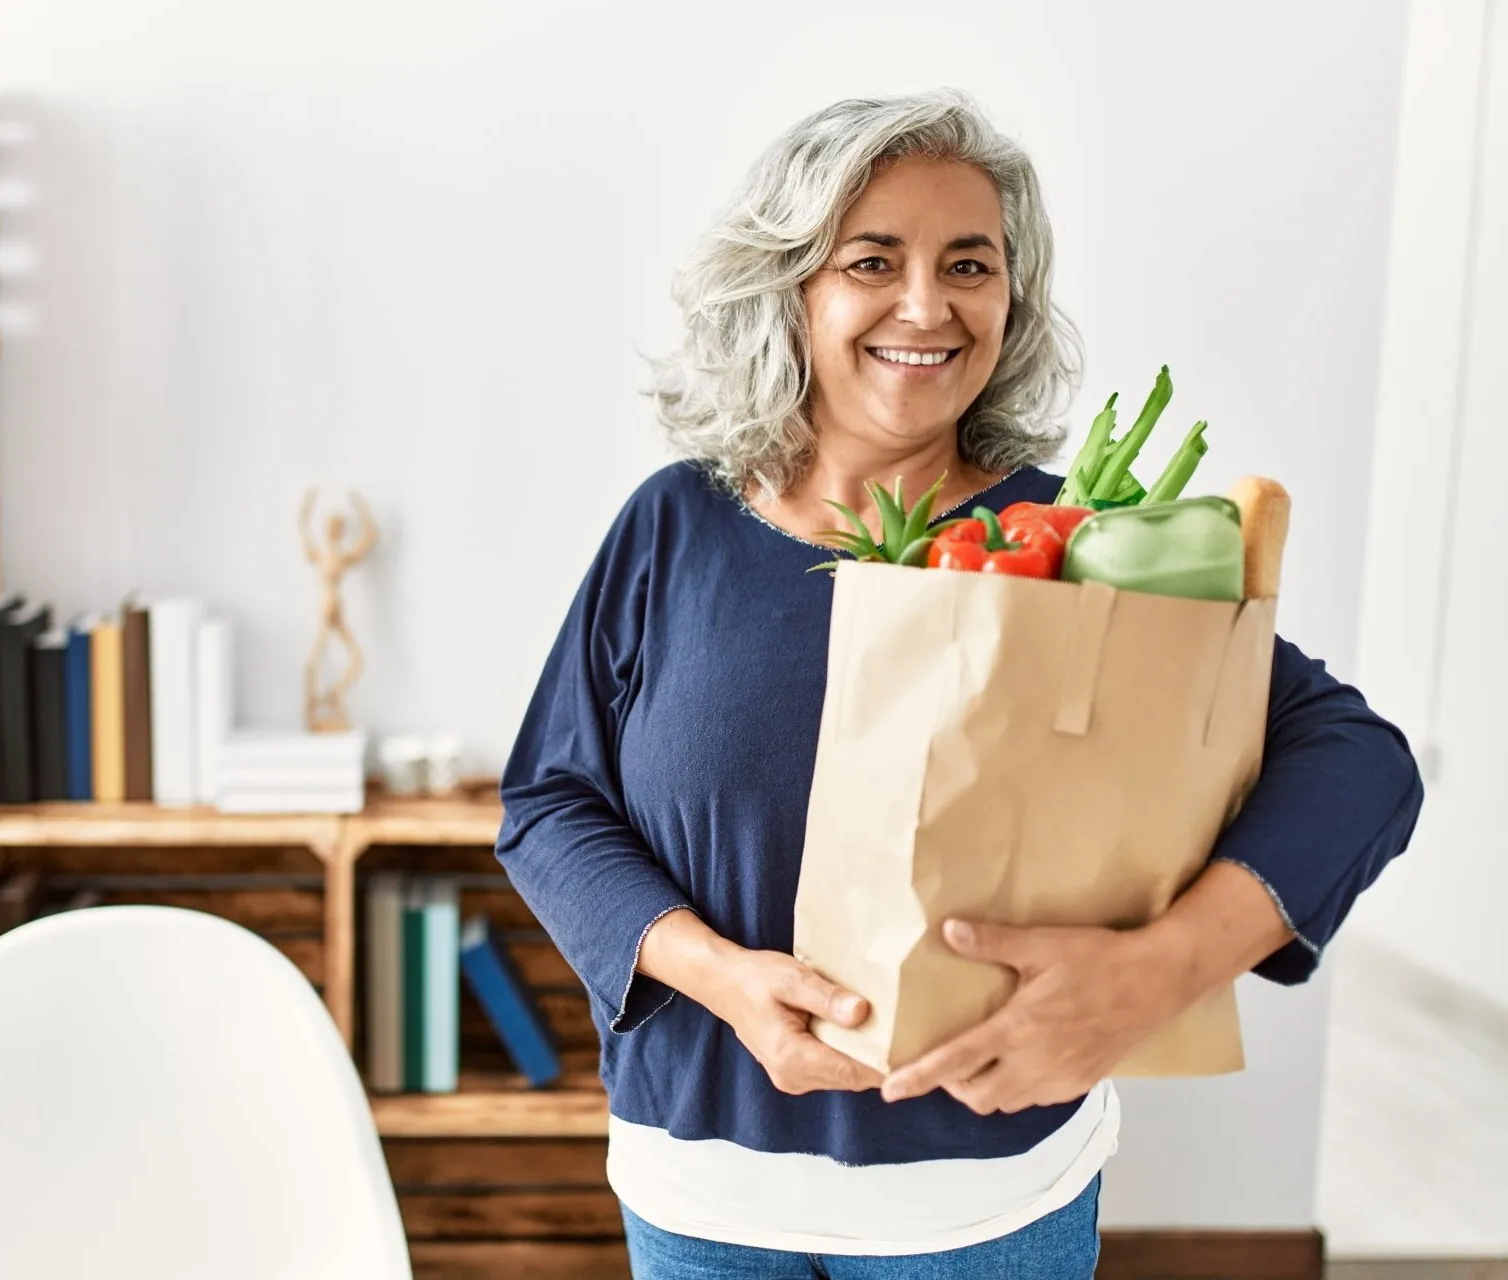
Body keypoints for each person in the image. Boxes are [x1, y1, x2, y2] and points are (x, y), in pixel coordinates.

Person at [493, 88, 1423, 1279]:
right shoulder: (675, 526)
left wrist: (1161, 968)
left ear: (1009, 301)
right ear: (792, 290)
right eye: (872, 260)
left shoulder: (1071, 541)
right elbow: (550, 801)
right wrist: (722, 978)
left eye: (970, 265)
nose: (927, 306)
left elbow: (1362, 761)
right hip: (696, 1187)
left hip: (985, 1202)